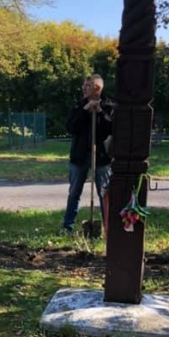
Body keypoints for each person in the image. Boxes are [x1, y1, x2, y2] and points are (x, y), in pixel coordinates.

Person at [62, 73, 114, 234]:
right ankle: (67, 227)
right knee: (74, 192)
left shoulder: (109, 106)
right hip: (80, 156)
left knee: (104, 194)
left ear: (97, 88)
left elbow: (112, 128)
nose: (83, 88)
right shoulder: (78, 106)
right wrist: (85, 111)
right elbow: (71, 127)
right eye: (83, 85)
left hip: (101, 157)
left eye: (88, 85)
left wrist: (99, 112)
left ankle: (109, 229)